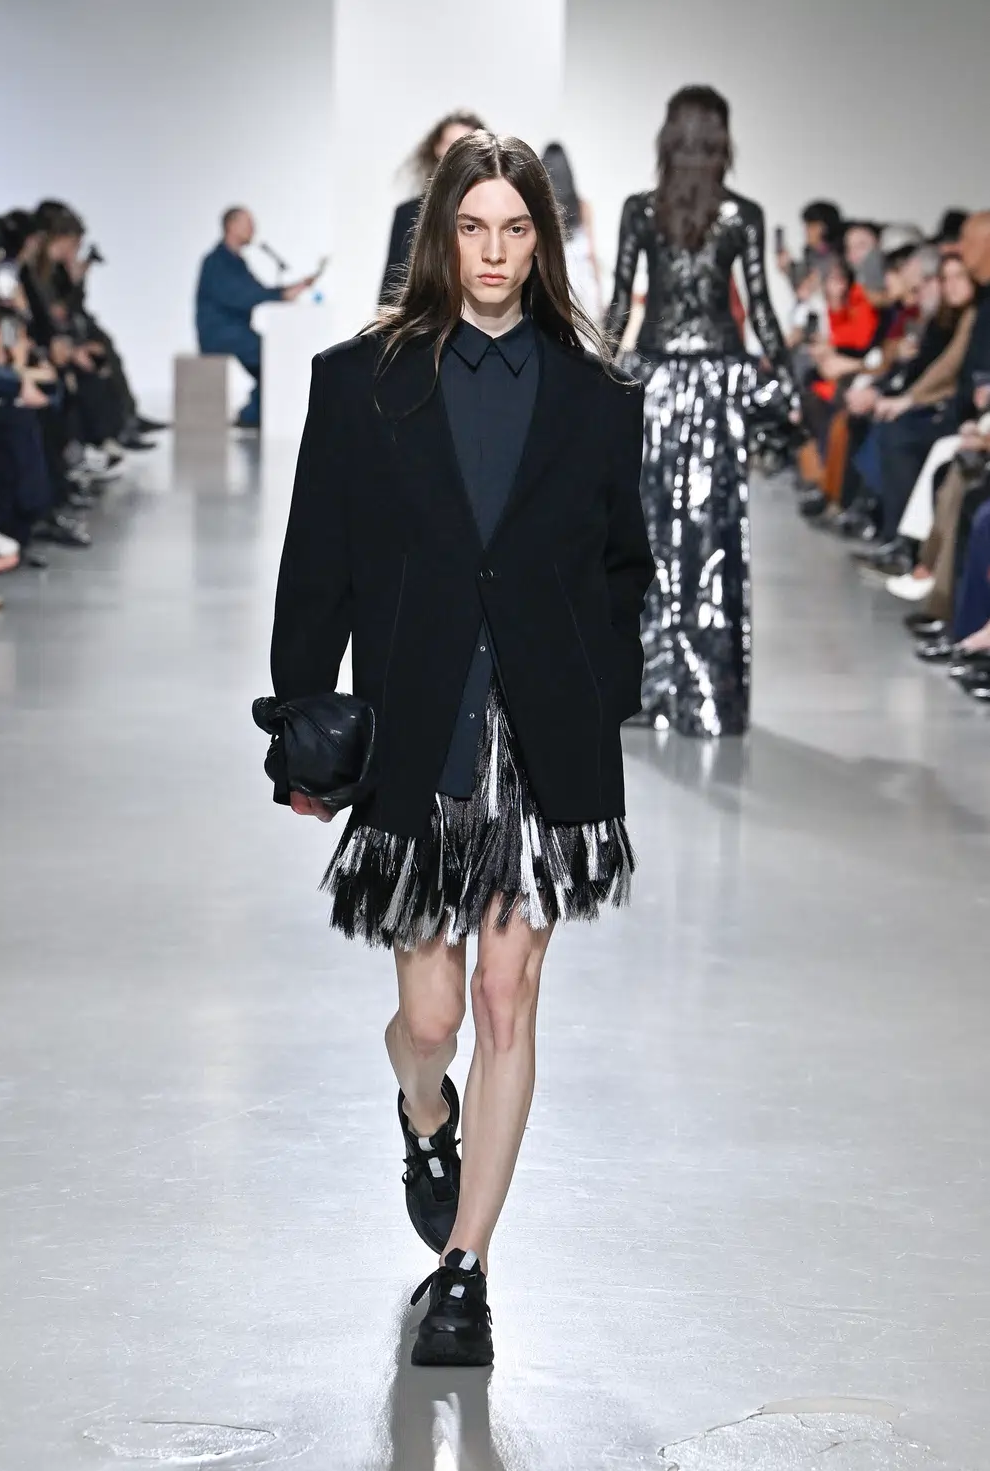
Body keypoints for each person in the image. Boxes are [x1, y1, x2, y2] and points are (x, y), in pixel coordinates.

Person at [270, 131, 652, 1367]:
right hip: (421, 725)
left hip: (542, 733)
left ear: (543, 241)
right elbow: (317, 561)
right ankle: (422, 1112)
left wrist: (603, 699)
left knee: (504, 996)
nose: (493, 253)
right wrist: (299, 729)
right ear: (441, 234)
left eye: (516, 230)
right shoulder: (360, 381)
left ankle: (465, 1273)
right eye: (473, 228)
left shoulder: (597, 395)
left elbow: (624, 568)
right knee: (430, 1019)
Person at [604, 85, 793, 737]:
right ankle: (710, 692)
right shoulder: (742, 215)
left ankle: (646, 685)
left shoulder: (639, 210)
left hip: (654, 382)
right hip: (717, 387)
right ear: (721, 140)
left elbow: (621, 302)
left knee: (649, 533)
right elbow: (760, 308)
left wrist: (595, 375)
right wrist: (788, 382)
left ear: (668, 137)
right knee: (713, 536)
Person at [195, 208, 316, 429]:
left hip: (235, 330)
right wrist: (283, 294)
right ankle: (251, 415)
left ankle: (253, 413)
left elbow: (255, 290)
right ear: (231, 226)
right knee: (272, 358)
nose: (253, 228)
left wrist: (289, 290)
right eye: (248, 223)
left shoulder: (236, 261)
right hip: (220, 332)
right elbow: (243, 295)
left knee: (273, 358)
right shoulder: (216, 262)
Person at [378, 111, 486, 305]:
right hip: (423, 318)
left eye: (465, 144)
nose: (456, 151)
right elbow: (392, 287)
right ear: (437, 148)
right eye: (450, 143)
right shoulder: (408, 213)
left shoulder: (493, 211)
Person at [541, 141, 603, 321]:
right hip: (584, 287)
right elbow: (591, 253)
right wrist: (599, 295)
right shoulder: (583, 207)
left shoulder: (542, 209)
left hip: (553, 284)